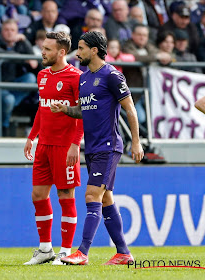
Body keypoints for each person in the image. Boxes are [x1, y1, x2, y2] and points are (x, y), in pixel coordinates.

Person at [50, 31, 144, 265]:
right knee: (105, 199)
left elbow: (130, 109)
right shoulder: (83, 78)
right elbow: (85, 110)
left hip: (108, 145)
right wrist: (65, 109)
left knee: (92, 194)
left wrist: (136, 141)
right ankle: (123, 253)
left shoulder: (112, 75)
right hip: (92, 147)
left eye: (81, 48)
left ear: (94, 50)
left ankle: (82, 252)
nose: (77, 52)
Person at [23, 31, 83, 265]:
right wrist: (31, 136)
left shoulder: (76, 77)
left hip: (65, 146)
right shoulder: (42, 75)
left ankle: (66, 251)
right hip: (44, 145)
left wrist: (75, 144)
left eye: (47, 49)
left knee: (66, 196)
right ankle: (45, 249)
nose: (42, 52)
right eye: (42, 47)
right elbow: (42, 108)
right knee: (38, 195)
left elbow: (82, 114)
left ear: (61, 52)